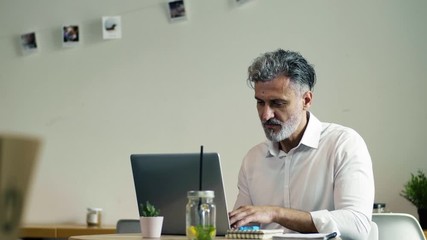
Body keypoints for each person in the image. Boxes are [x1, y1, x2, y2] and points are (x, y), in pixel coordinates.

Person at [228, 49, 374, 240]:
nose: (265, 115)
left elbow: (358, 224)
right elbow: (240, 228)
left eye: (277, 103)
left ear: (306, 100)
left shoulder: (343, 144)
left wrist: (276, 214)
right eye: (260, 102)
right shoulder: (253, 159)